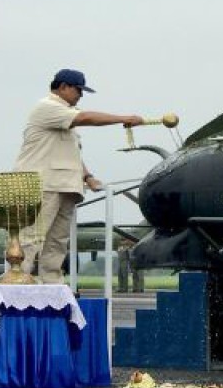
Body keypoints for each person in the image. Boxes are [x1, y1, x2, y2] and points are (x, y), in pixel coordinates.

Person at [14, 68, 142, 283]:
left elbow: (69, 154)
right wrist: (124, 118)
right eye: (78, 90)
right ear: (63, 87)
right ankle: (15, 281)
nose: (80, 95)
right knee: (31, 238)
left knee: (57, 242)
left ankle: (52, 286)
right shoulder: (48, 107)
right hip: (42, 184)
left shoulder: (65, 116)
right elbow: (86, 117)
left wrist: (87, 176)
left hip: (64, 186)